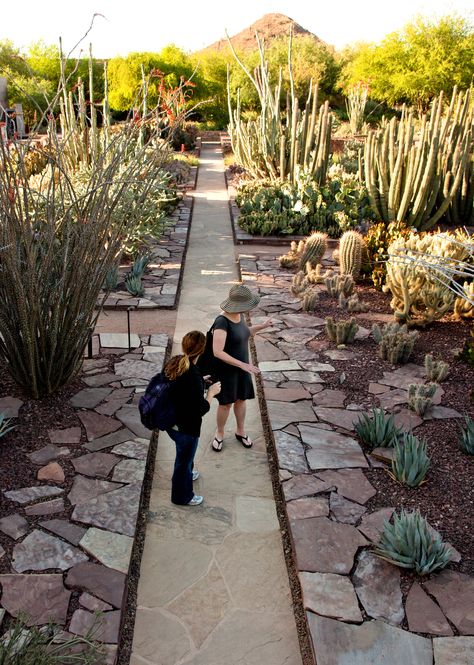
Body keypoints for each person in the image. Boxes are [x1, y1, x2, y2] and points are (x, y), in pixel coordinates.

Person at [211, 283, 272, 452]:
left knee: (241, 400)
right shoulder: (221, 322)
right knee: (226, 404)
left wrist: (263, 326)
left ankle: (240, 431)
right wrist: (242, 364)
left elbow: (244, 333)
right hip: (227, 371)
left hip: (242, 369)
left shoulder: (239, 315)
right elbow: (217, 352)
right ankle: (220, 433)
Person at [165, 330, 221, 505]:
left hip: (171, 423)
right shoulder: (193, 376)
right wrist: (210, 393)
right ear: (202, 350)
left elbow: (181, 387)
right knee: (183, 461)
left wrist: (201, 381)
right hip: (186, 429)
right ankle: (182, 497)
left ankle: (188, 471)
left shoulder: (177, 363)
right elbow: (200, 409)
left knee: (183, 457)